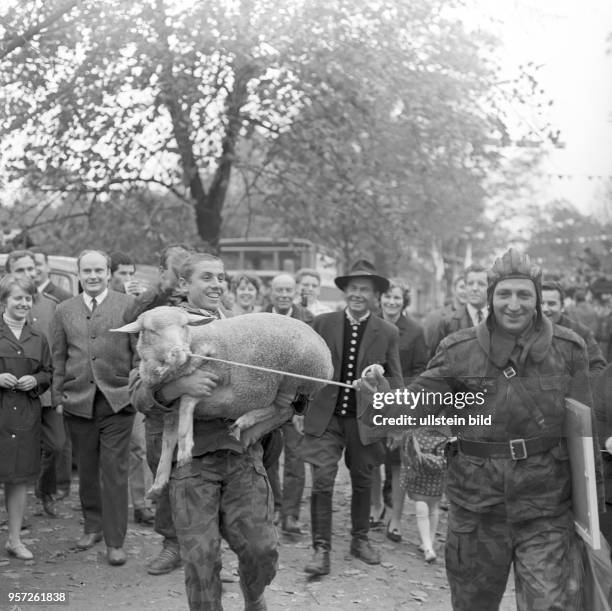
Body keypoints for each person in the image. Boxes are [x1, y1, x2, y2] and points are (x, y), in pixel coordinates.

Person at [359, 249, 602, 610]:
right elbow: (410, 408)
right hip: (476, 509)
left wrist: (592, 512)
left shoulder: (569, 349)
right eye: (504, 294)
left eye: (524, 294)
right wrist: (377, 394)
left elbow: (585, 434)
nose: (514, 305)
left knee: (552, 605)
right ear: (491, 298)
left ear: (537, 299)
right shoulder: (460, 350)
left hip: (546, 510)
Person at [128, 252, 280, 610]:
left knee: (261, 551)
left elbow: (279, 386)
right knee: (200, 561)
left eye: (221, 277)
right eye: (207, 277)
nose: (217, 285)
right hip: (191, 465)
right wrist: (178, 388)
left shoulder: (245, 328)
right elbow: (138, 394)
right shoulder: (162, 325)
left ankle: (254, 594)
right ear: (184, 284)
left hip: (243, 457)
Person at [300, 259, 402, 575]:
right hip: (326, 418)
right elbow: (307, 370)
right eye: (353, 288)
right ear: (345, 291)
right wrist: (297, 408)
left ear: (375, 296)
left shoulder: (387, 331)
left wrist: (391, 408)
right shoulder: (322, 323)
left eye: (365, 290)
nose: (358, 294)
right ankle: (321, 549)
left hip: (365, 421)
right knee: (322, 481)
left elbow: (396, 380)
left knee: (363, 479)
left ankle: (360, 540)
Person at [51, 249, 137, 566]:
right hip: (78, 402)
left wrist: (134, 388)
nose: (93, 276)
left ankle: (115, 542)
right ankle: (92, 526)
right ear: (78, 273)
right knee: (86, 470)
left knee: (114, 472)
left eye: (99, 270)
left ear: (109, 271)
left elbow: (138, 354)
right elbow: (58, 358)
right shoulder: (64, 311)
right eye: (87, 271)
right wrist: (59, 396)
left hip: (118, 400)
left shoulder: (127, 306)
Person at [123, 244, 193, 575]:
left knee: (199, 476)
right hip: (158, 403)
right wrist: (161, 288)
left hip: (197, 406)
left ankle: (204, 545)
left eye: (184, 274)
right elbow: (128, 318)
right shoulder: (152, 302)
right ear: (162, 270)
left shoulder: (201, 298)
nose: (179, 281)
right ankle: (171, 544)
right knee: (161, 471)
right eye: (172, 272)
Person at [5, 250, 66, 516]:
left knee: (56, 444)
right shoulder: (5, 302)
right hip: (10, 397)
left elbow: (59, 351)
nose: (29, 274)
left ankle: (45, 491)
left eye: (31, 269)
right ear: (8, 272)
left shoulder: (50, 304)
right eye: (21, 270)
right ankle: (15, 508)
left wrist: (58, 390)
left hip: (44, 391)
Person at [368, 279, 428, 541]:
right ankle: (375, 507)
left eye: (397, 298)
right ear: (380, 299)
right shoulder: (370, 324)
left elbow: (420, 370)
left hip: (402, 403)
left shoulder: (415, 331)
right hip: (371, 402)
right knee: (370, 458)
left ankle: (395, 519)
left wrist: (404, 397)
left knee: (398, 463)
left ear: (404, 302)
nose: (392, 302)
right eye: (388, 297)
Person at [0, 275, 52, 560]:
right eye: (17, 297)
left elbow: (48, 372)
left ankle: (15, 540)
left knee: (18, 479)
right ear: (4, 300)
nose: (23, 303)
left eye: (27, 298)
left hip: (25, 417)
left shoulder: (38, 336)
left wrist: (36, 380)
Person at [264, 273, 313, 533]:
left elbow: (313, 367)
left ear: (296, 292)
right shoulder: (258, 319)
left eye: (288, 290)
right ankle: (275, 506)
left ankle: (291, 515)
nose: (283, 294)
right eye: (279, 290)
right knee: (268, 457)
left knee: (296, 459)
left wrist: (302, 406)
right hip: (266, 401)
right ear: (271, 292)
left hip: (296, 403)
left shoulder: (308, 319)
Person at [109, 252, 154, 525]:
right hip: (105, 383)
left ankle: (141, 504)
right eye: (121, 274)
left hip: (133, 381)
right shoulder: (102, 302)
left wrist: (142, 303)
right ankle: (108, 503)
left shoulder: (140, 303)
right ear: (110, 274)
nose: (127, 279)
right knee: (112, 450)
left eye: (130, 274)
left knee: (139, 445)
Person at [541, 280, 606, 376]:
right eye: (541, 303)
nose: (545, 309)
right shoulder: (524, 329)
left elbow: (599, 367)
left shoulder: (580, 332)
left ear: (562, 307)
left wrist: (575, 385)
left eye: (551, 304)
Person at [425, 264, 488, 358]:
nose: (475, 288)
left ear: (490, 287)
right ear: (466, 287)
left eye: (481, 284)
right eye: (470, 284)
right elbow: (434, 361)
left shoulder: (499, 320)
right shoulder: (447, 323)